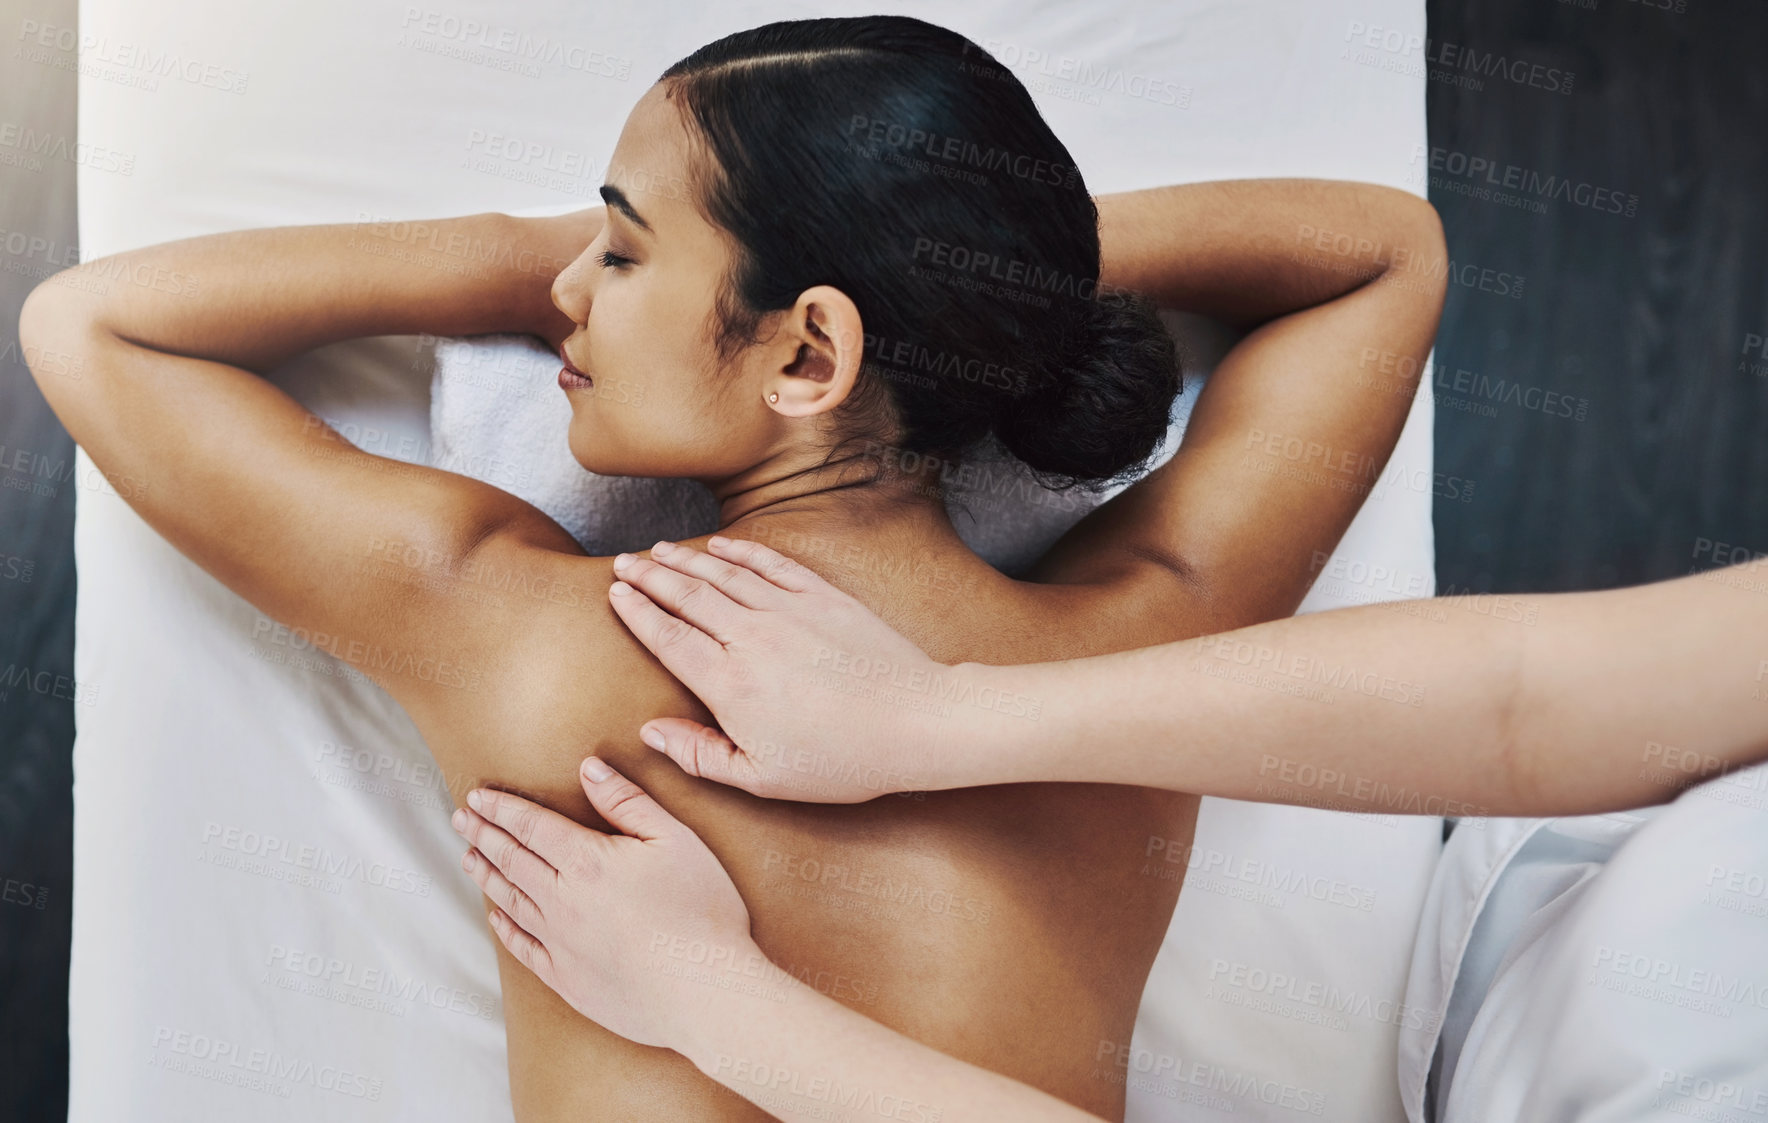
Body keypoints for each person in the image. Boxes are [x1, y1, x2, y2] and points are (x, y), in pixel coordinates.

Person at [20, 15, 1444, 1121]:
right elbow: (1386, 256)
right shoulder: (1147, 665)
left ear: (808, 351)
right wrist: (950, 272)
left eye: (621, 255)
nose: (570, 287)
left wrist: (511, 261)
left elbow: (95, 330)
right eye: (579, 254)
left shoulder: (510, 632)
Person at [451, 540, 1768, 1123]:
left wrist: (711, 1000)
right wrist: (937, 719)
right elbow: (1531, 704)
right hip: (1535, 923)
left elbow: (1381, 261)